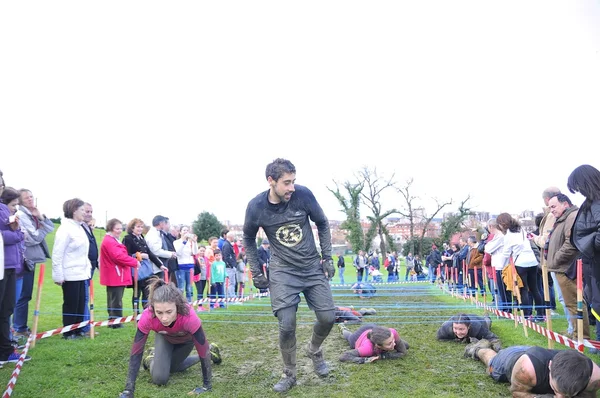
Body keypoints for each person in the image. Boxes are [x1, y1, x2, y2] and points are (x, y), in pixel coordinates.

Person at [242, 158, 336, 393]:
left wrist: (328, 258)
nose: (291, 187)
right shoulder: (256, 207)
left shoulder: (303, 196)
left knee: (328, 318)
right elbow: (248, 239)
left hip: (311, 266)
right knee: (287, 325)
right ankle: (289, 373)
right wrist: (256, 271)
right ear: (270, 181)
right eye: (286, 183)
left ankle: (314, 350)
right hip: (283, 271)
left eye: (293, 181)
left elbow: (322, 224)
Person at [119, 277, 222, 397]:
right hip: (165, 338)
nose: (164, 318)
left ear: (177, 307)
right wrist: (128, 390)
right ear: (153, 308)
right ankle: (151, 358)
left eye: (169, 312)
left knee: (172, 367)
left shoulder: (189, 316)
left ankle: (210, 351)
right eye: (159, 312)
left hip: (186, 341)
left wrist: (206, 386)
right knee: (159, 379)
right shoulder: (147, 316)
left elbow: (202, 349)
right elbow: (136, 352)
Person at [465, 339, 600, 397]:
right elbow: (516, 393)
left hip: (539, 353)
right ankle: (478, 348)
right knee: (492, 363)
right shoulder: (526, 370)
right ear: (550, 366)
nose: (560, 397)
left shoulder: (595, 378)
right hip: (513, 359)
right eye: (556, 390)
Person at [545, 193, 590, 339]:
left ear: (565, 204)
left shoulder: (571, 217)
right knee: (570, 303)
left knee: (574, 303)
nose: (551, 210)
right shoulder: (563, 218)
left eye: (553, 206)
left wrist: (554, 260)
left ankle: (581, 336)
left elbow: (570, 243)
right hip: (561, 267)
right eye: (549, 207)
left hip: (567, 268)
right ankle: (575, 332)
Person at [13, 189, 53, 341]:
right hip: (24, 258)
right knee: (23, 294)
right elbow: (33, 238)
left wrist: (40, 217)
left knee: (26, 293)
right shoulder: (22, 215)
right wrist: (41, 229)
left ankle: (20, 326)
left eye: (31, 196)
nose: (30, 199)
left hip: (31, 258)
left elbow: (48, 227)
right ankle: (18, 327)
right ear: (20, 201)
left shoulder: (31, 214)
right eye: (26, 198)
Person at [51, 198, 91, 339]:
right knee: (71, 304)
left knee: (80, 304)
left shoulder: (79, 227)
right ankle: (68, 332)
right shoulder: (65, 229)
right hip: (69, 273)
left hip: (81, 273)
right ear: (74, 211)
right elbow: (57, 253)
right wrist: (58, 275)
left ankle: (79, 329)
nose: (84, 213)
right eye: (82, 210)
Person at [0, 187, 30, 364]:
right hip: (4, 265)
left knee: (7, 308)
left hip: (10, 265)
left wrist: (16, 233)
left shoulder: (5, 210)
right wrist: (17, 234)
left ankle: (6, 350)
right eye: (14, 205)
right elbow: (7, 236)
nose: (16, 208)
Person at [497, 213, 544, 322]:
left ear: (502, 224)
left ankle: (527, 316)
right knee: (535, 289)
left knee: (524, 290)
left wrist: (500, 266)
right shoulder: (521, 230)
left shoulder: (508, 235)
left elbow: (506, 253)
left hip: (521, 263)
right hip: (532, 261)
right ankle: (540, 315)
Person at [568, 165, 600, 325]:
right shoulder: (593, 201)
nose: (580, 192)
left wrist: (594, 246)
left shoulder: (597, 201)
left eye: (579, 188)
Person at [99, 218, 139, 328]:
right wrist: (134, 261)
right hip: (115, 274)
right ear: (111, 228)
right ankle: (115, 322)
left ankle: (114, 320)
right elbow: (118, 256)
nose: (120, 231)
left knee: (115, 298)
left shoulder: (113, 240)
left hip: (117, 273)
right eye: (117, 228)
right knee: (115, 299)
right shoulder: (109, 241)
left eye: (121, 228)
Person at [122, 218, 167, 312]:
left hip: (146, 269)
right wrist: (138, 256)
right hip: (136, 269)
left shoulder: (142, 238)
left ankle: (146, 312)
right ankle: (136, 313)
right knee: (136, 292)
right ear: (132, 227)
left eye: (141, 227)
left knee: (147, 292)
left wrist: (160, 265)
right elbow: (125, 254)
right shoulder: (128, 238)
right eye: (138, 226)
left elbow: (150, 253)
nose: (140, 229)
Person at [338, 323, 409, 364]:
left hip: (373, 328)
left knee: (406, 345)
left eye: (393, 339)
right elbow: (344, 356)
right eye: (389, 343)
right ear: (378, 345)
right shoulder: (368, 349)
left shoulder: (392, 332)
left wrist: (383, 356)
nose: (394, 344)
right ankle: (343, 328)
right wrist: (365, 360)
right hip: (358, 337)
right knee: (350, 337)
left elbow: (403, 353)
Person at [436, 313, 500, 349]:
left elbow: (494, 338)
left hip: (479, 320)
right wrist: (456, 339)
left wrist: (498, 349)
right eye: (455, 328)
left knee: (487, 322)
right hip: (467, 317)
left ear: (469, 327)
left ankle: (486, 316)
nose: (458, 332)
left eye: (461, 329)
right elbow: (439, 337)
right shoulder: (446, 328)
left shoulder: (478, 328)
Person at [145, 215, 176, 283]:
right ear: (161, 223)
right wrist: (170, 254)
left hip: (160, 266)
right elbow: (155, 251)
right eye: (165, 223)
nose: (165, 225)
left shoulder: (158, 233)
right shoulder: (152, 235)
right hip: (155, 268)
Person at [173, 226, 198, 303]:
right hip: (181, 267)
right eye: (184, 230)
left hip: (190, 266)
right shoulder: (176, 242)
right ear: (180, 232)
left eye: (187, 230)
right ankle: (180, 303)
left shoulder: (190, 242)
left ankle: (189, 303)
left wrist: (194, 242)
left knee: (189, 287)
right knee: (181, 287)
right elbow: (178, 253)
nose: (186, 232)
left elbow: (194, 252)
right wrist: (183, 242)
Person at [221, 231, 237, 299]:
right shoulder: (226, 245)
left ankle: (231, 296)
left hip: (231, 266)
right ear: (230, 237)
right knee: (230, 283)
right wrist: (231, 265)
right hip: (229, 267)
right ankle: (231, 297)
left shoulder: (228, 244)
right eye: (234, 236)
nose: (234, 238)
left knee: (232, 282)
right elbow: (226, 257)